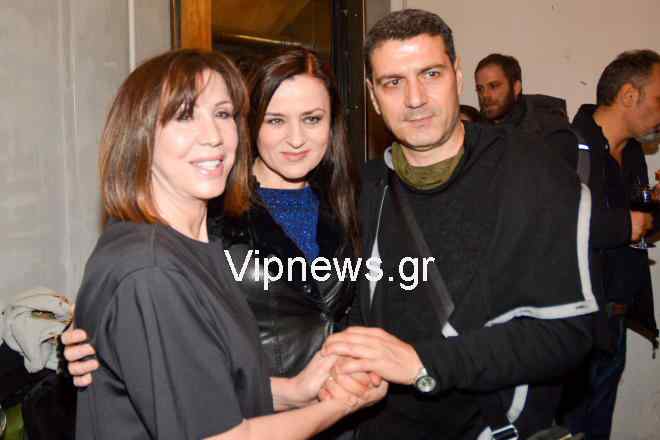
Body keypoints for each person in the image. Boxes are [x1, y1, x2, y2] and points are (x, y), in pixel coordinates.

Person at [72, 48, 385, 440]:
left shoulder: (353, 200)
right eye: (185, 115)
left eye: (222, 114)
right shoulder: (160, 262)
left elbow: (207, 385)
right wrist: (339, 406)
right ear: (140, 136)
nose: (213, 136)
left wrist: (297, 391)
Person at [320, 9, 596, 439]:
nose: (415, 98)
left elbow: (567, 334)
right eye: (393, 82)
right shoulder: (367, 187)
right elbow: (362, 306)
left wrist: (423, 363)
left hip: (491, 428)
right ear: (373, 96)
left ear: (457, 74)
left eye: (430, 74)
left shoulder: (530, 170)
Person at [557, 50, 660, 440]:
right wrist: (625, 224)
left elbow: (636, 230)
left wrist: (654, 211)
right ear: (629, 96)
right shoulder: (566, 145)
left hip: (616, 323)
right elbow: (552, 228)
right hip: (576, 329)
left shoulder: (632, 154)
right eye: (659, 99)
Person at [475, 53, 569, 138]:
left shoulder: (551, 129)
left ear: (516, 88)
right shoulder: (475, 133)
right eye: (480, 89)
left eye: (494, 86)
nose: (485, 95)